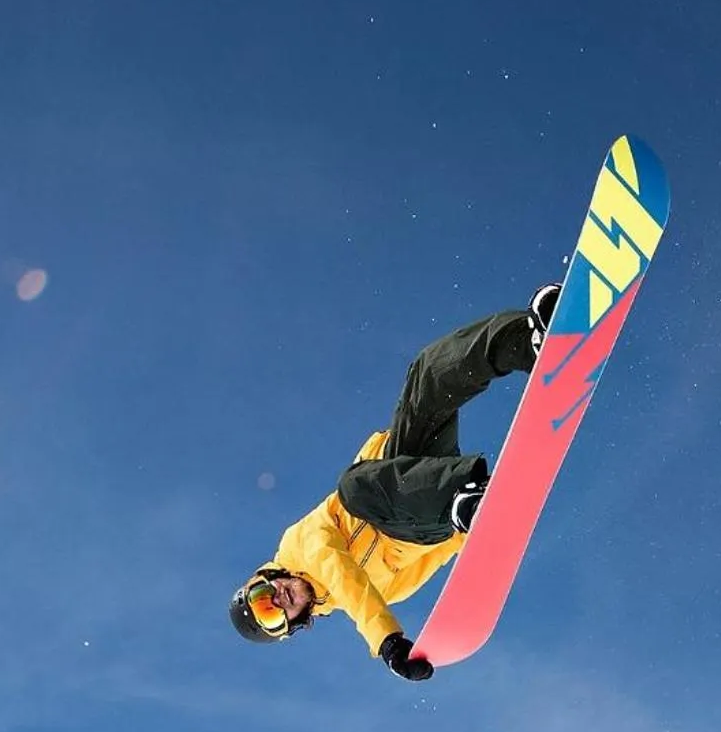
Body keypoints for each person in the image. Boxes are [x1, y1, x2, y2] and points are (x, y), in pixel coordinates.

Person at [229, 285, 560, 680]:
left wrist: (386, 641)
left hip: (402, 473)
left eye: (263, 595)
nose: (277, 600)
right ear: (290, 627)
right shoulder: (384, 592)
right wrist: (480, 530)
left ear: (265, 577)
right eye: (271, 615)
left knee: (427, 376)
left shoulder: (297, 546)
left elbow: (340, 571)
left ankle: (528, 340)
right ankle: (462, 502)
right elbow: (433, 555)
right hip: (430, 515)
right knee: (407, 515)